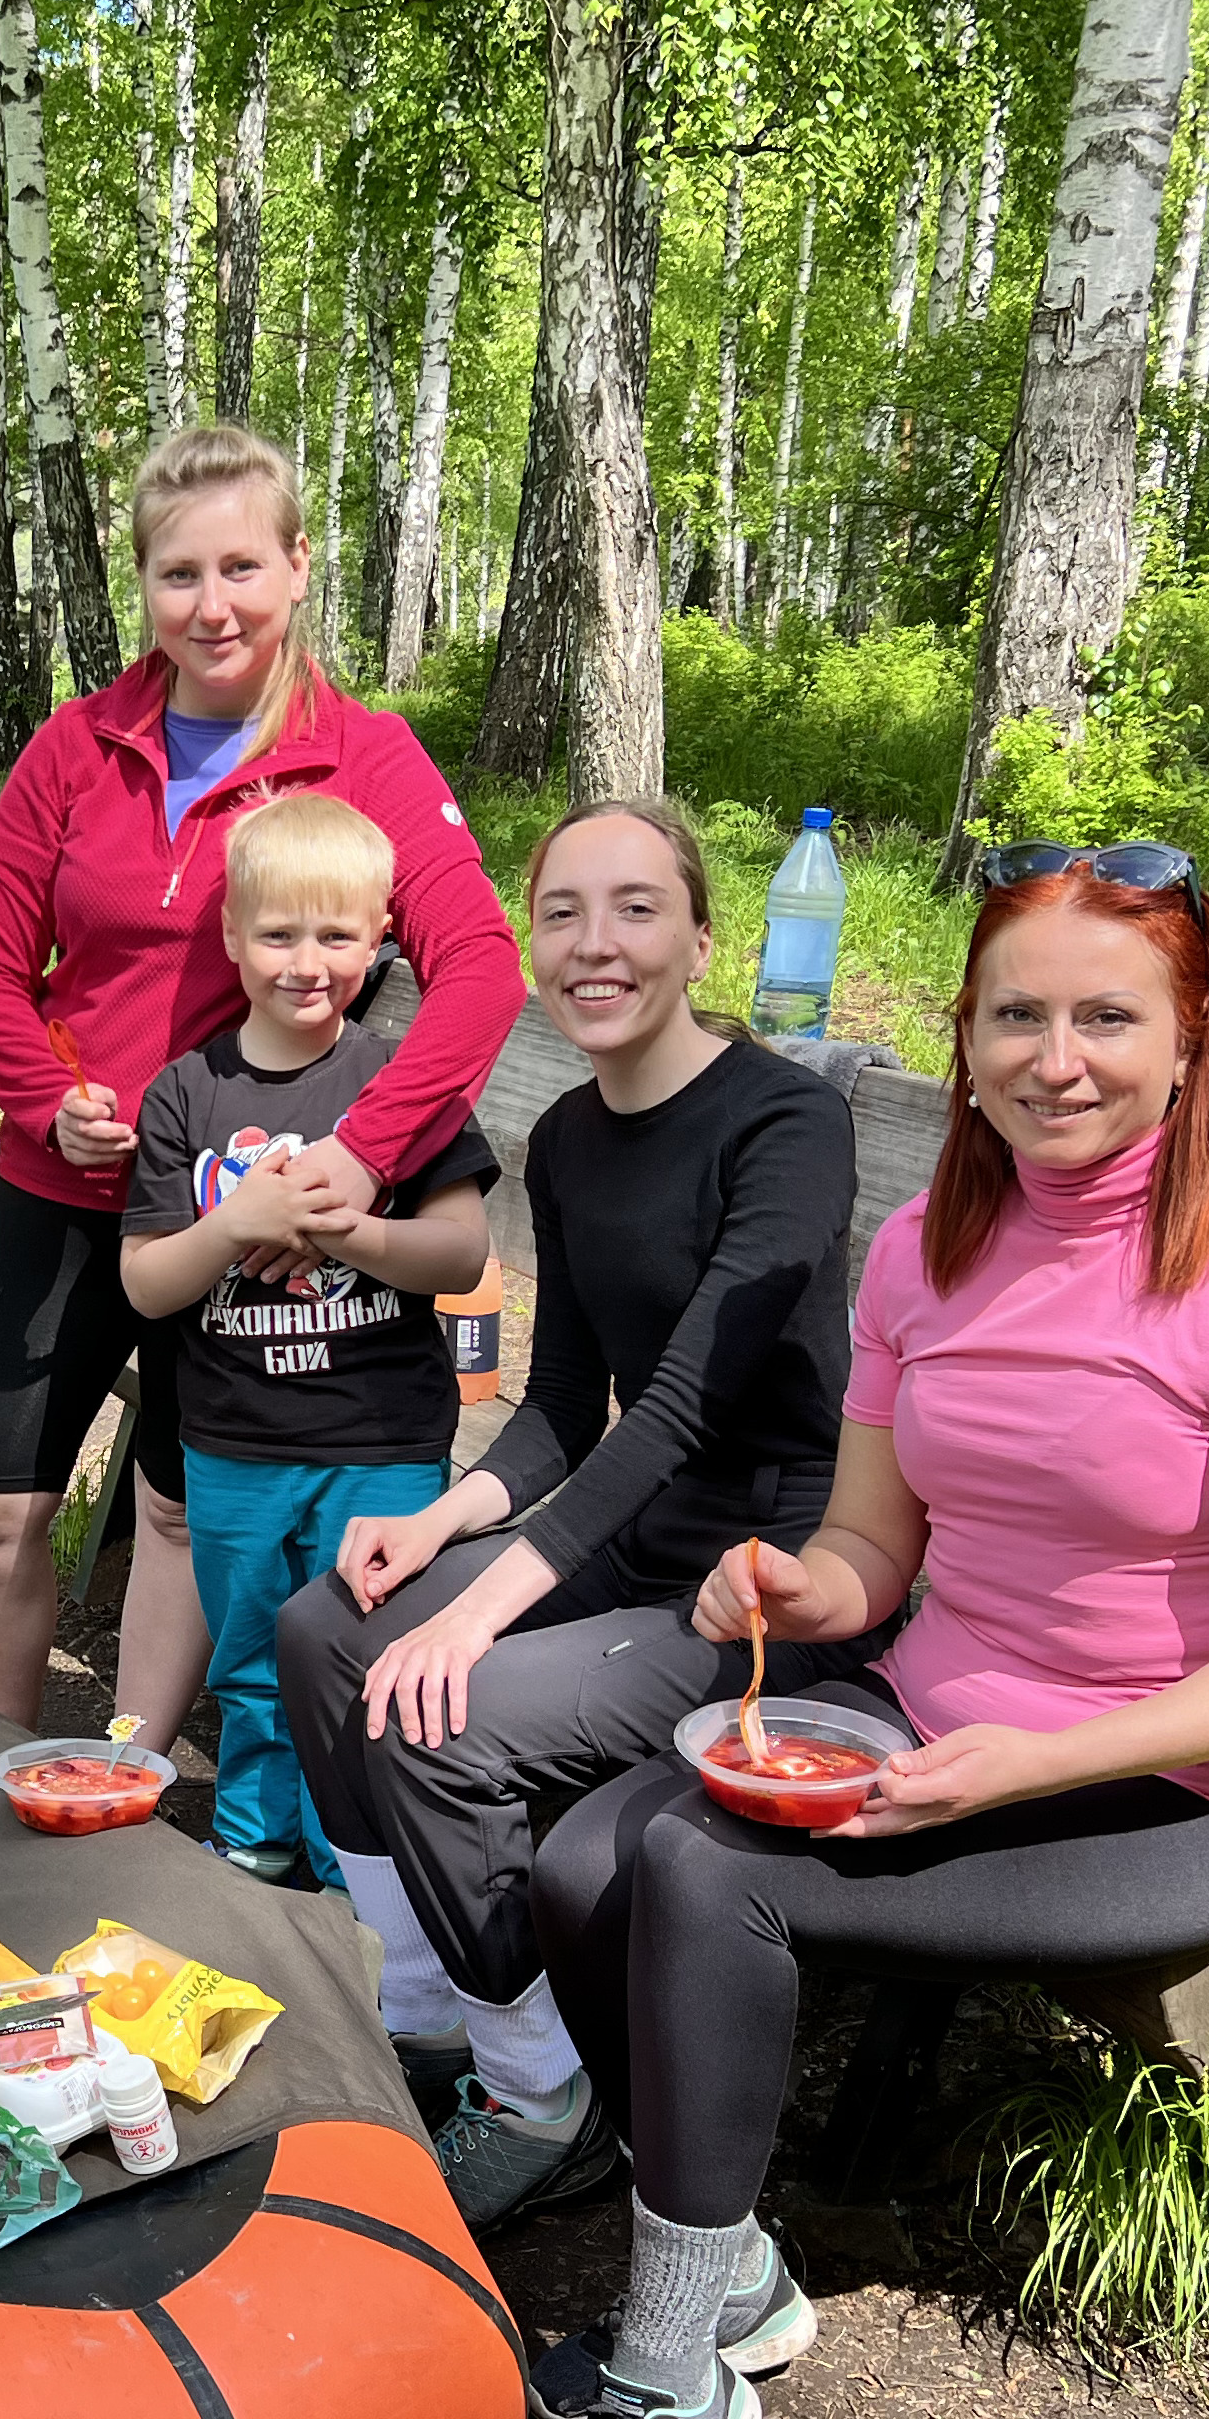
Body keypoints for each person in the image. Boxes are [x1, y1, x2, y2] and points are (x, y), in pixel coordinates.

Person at [508, 847, 1209, 2419]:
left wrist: (1024, 1758)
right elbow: (877, 1545)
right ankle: (734, 2266)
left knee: (703, 1870)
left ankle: (674, 2379)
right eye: (1015, 1013)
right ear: (967, 1032)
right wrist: (802, 1582)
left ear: (1194, 1029)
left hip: (1161, 1789)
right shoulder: (928, 1250)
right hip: (930, 1719)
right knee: (583, 1853)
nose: (1054, 1057)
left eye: (1103, 1016)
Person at [273, 801, 877, 2233]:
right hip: (628, 1530)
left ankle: (548, 2099)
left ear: (701, 936)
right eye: (562, 912)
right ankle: (429, 2025)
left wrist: (479, 1608)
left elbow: (680, 1406)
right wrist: (436, 1532)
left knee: (443, 1710)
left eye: (636, 909)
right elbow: (563, 1405)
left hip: (767, 1573)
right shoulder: (567, 1139)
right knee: (323, 1631)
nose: (595, 945)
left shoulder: (790, 1124)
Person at [0, 425, 521, 1738]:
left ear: (299, 566)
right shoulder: (76, 748)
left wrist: (367, 1150)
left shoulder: (362, 753)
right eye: (179, 574)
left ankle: (126, 1777)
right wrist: (44, 1096)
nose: (213, 606)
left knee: (175, 1502)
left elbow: (481, 964)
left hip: (248, 1205)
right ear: (141, 583)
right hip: (68, 1177)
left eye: (243, 567)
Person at [119, 793, 497, 1884]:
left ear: (380, 939)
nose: (307, 962)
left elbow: (461, 1253)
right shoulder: (187, 1092)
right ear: (233, 936)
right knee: (247, 1661)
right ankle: (255, 1841)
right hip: (232, 1442)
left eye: (337, 935)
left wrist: (355, 1232)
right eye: (279, 934)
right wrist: (233, 1226)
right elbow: (146, 1284)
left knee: (358, 1658)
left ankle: (358, 1869)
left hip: (380, 1443)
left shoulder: (395, 1084)